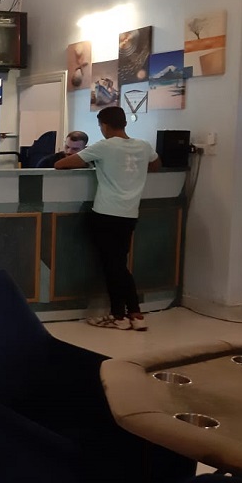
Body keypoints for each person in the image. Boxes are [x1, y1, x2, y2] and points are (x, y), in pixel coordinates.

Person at [56, 106, 160, 331]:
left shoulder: (104, 146)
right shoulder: (143, 146)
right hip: (129, 214)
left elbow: (61, 164)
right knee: (118, 265)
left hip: (105, 214)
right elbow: (156, 164)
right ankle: (132, 315)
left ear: (103, 125)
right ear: (124, 123)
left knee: (113, 267)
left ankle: (123, 316)